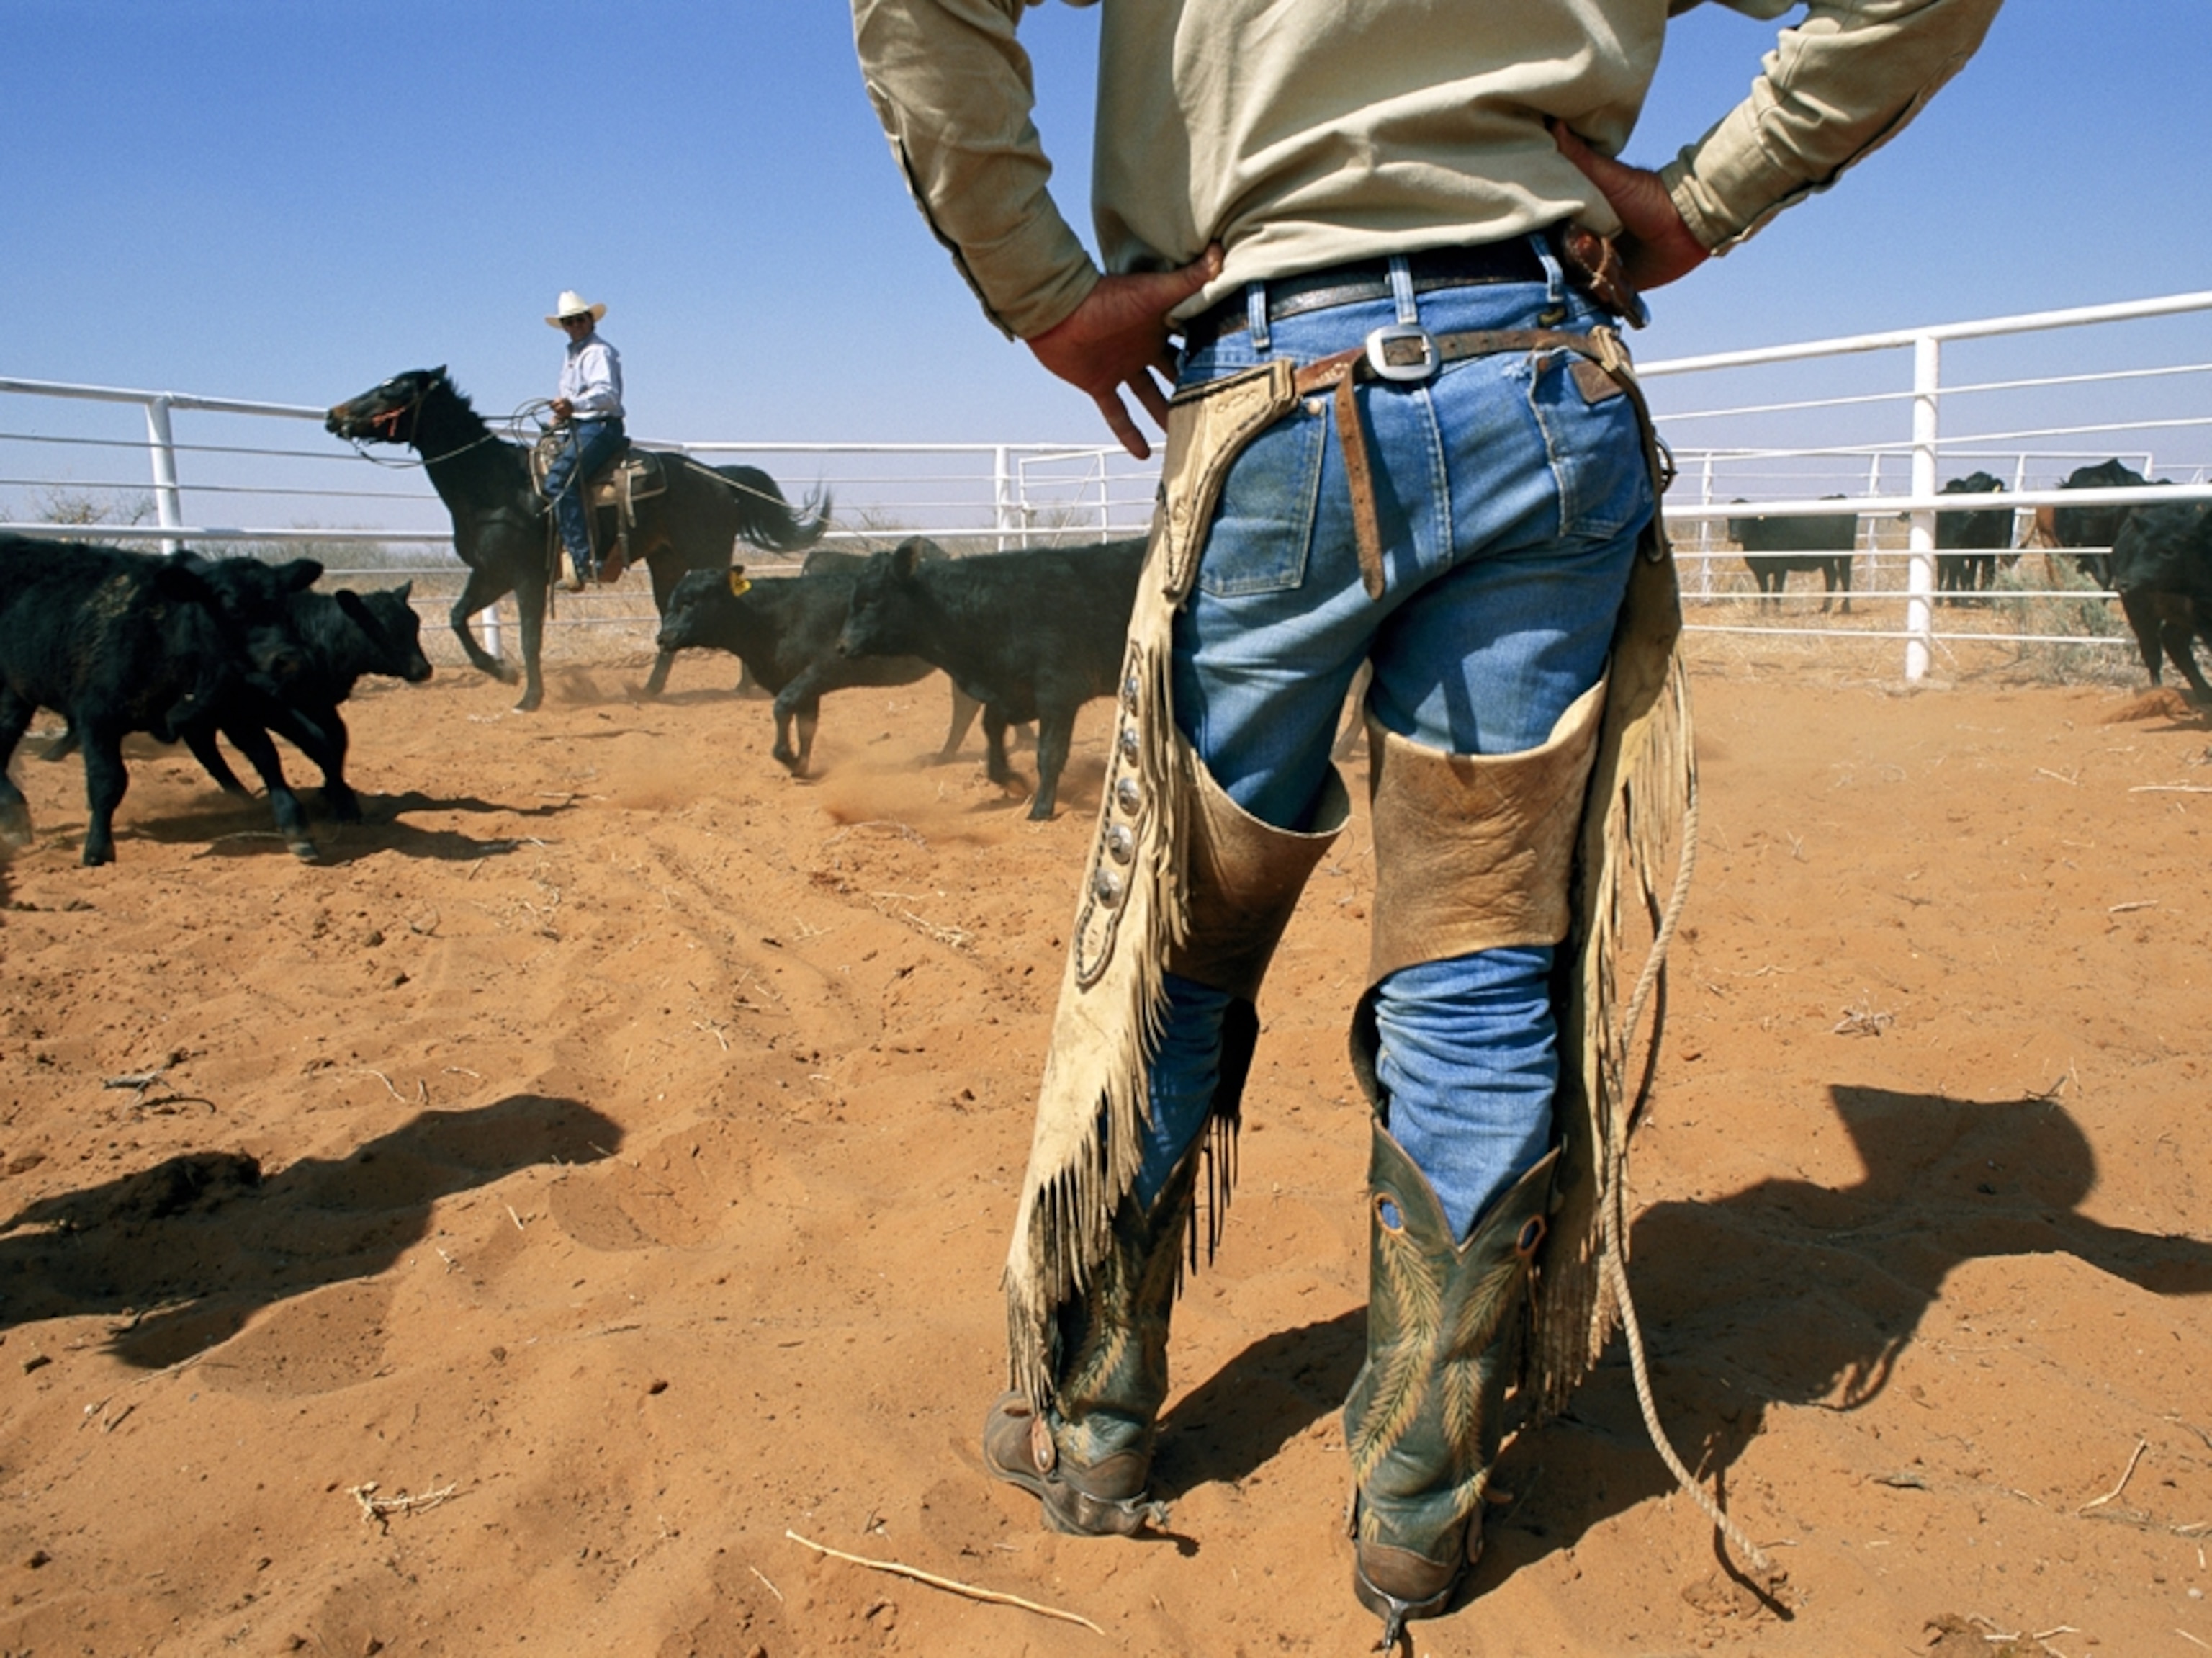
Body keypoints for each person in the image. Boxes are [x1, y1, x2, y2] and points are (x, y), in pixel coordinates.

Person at [851, 0, 2001, 1639]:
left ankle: (1090, 1417)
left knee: (1183, 935)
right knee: (1477, 955)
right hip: (1543, 376)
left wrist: (1044, 295)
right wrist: (1699, 197)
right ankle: (1414, 1506)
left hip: (1269, 385)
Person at [541, 291, 626, 591]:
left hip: (601, 427)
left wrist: (572, 406)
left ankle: (583, 560)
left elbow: (608, 395)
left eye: (580, 319)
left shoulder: (598, 352)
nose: (575, 325)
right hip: (579, 427)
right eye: (569, 321)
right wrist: (559, 418)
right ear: (564, 326)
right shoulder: (572, 354)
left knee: (559, 481)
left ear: (591, 320)